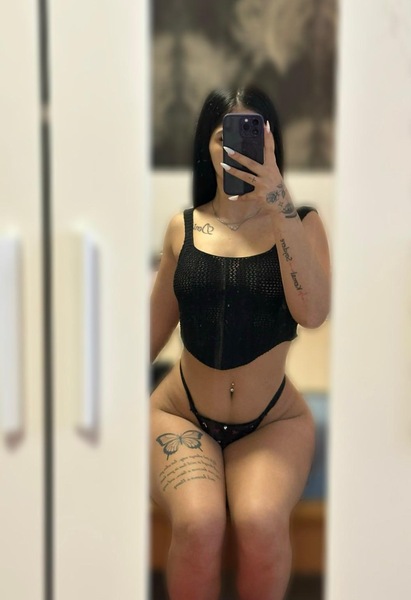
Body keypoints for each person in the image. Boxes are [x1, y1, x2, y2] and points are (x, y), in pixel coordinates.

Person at [150, 85, 331, 600]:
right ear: (206, 146)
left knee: (260, 523)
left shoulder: (301, 222)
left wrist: (277, 198)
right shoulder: (183, 228)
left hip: (273, 421)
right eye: (223, 135)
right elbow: (145, 336)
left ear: (272, 143)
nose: (237, 146)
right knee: (199, 525)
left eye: (254, 134)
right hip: (182, 414)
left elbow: (312, 312)